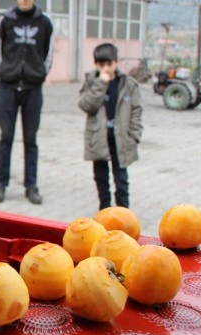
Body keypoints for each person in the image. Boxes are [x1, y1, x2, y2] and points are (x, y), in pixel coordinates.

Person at [0, 0, 53, 205]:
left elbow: (48, 53)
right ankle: (1, 184)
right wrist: (5, 73)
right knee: (6, 137)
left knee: (30, 140)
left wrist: (40, 74)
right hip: (7, 88)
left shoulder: (45, 22)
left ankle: (31, 186)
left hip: (33, 89)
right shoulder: (5, 21)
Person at [78, 43, 143, 210]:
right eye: (101, 65)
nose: (105, 68)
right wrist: (101, 83)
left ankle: (124, 215)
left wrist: (135, 135)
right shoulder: (91, 81)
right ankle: (104, 212)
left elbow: (136, 110)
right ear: (95, 64)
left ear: (116, 62)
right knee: (101, 179)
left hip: (121, 139)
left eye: (109, 64)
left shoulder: (128, 84)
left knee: (121, 180)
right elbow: (87, 105)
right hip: (99, 137)